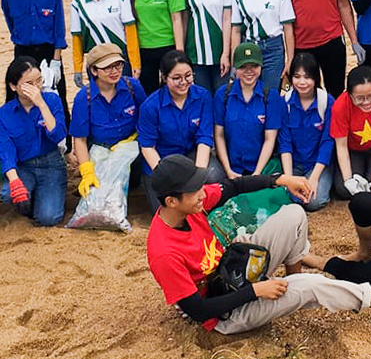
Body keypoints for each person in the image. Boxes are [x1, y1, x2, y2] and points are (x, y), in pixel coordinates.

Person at [145, 154, 371, 336]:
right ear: (171, 201)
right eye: (194, 190)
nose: (201, 193)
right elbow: (198, 311)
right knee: (308, 286)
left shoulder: (189, 205)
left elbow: (233, 187)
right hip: (223, 314)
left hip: (233, 271)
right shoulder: (163, 252)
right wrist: (257, 290)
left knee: (294, 214)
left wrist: (282, 180)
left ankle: (289, 284)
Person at [138, 50, 223, 213]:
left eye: (188, 75)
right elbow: (147, 146)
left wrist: (197, 179)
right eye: (176, 78)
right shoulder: (150, 106)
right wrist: (165, 176)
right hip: (162, 161)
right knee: (167, 209)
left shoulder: (203, 96)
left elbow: (204, 138)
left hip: (191, 156)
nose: (183, 82)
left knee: (214, 177)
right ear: (164, 78)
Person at [69, 43, 147, 205]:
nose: (115, 71)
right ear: (94, 70)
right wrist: (87, 171)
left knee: (133, 183)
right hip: (100, 150)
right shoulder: (84, 97)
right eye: (107, 68)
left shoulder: (133, 86)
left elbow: (147, 120)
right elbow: (80, 139)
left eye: (118, 65)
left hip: (131, 148)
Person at [0, 57, 68, 226]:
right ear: (13, 86)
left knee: (48, 218)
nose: (36, 87)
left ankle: (48, 194)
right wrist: (14, 180)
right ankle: (28, 202)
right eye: (29, 83)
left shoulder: (51, 100)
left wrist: (41, 105)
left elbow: (58, 135)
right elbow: (6, 149)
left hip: (51, 163)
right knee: (8, 193)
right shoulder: (6, 113)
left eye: (39, 81)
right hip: (24, 166)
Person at [3, 0, 69, 115]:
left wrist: (56, 61)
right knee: (16, 98)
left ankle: (64, 142)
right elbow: (12, 25)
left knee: (57, 97)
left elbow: (59, 29)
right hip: (23, 52)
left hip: (49, 53)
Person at [126, 0, 186, 94]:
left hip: (167, 46)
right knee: (147, 92)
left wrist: (179, 50)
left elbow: (176, 18)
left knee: (171, 91)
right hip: (142, 49)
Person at [70, 0, 142, 86]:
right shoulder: (78, 2)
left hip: (120, 60)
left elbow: (131, 33)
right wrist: (77, 70)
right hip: (96, 62)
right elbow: (77, 39)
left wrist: (135, 64)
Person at [231, 0, 296, 93]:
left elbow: (288, 28)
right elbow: (235, 30)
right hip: (248, 48)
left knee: (270, 93)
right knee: (249, 92)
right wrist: (234, 61)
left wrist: (290, 59)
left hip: (273, 49)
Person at [213, 42, 281, 178]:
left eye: (254, 66)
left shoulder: (271, 97)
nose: (249, 71)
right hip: (230, 166)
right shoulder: (223, 94)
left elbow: (270, 139)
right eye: (243, 67)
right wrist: (228, 170)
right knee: (211, 176)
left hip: (260, 167)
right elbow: (219, 135)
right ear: (235, 68)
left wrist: (256, 174)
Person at [277, 54, 335, 211]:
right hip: (294, 164)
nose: (302, 82)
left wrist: (314, 178)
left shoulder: (327, 101)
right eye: (297, 76)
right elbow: (285, 143)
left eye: (307, 77)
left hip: (317, 164)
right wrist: (289, 179)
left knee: (313, 201)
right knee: (286, 196)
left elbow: (327, 142)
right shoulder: (285, 102)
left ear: (316, 78)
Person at [330, 65, 371, 198]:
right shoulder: (340, 105)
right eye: (360, 98)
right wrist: (348, 180)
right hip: (353, 150)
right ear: (349, 95)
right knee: (344, 190)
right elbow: (341, 146)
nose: (367, 102)